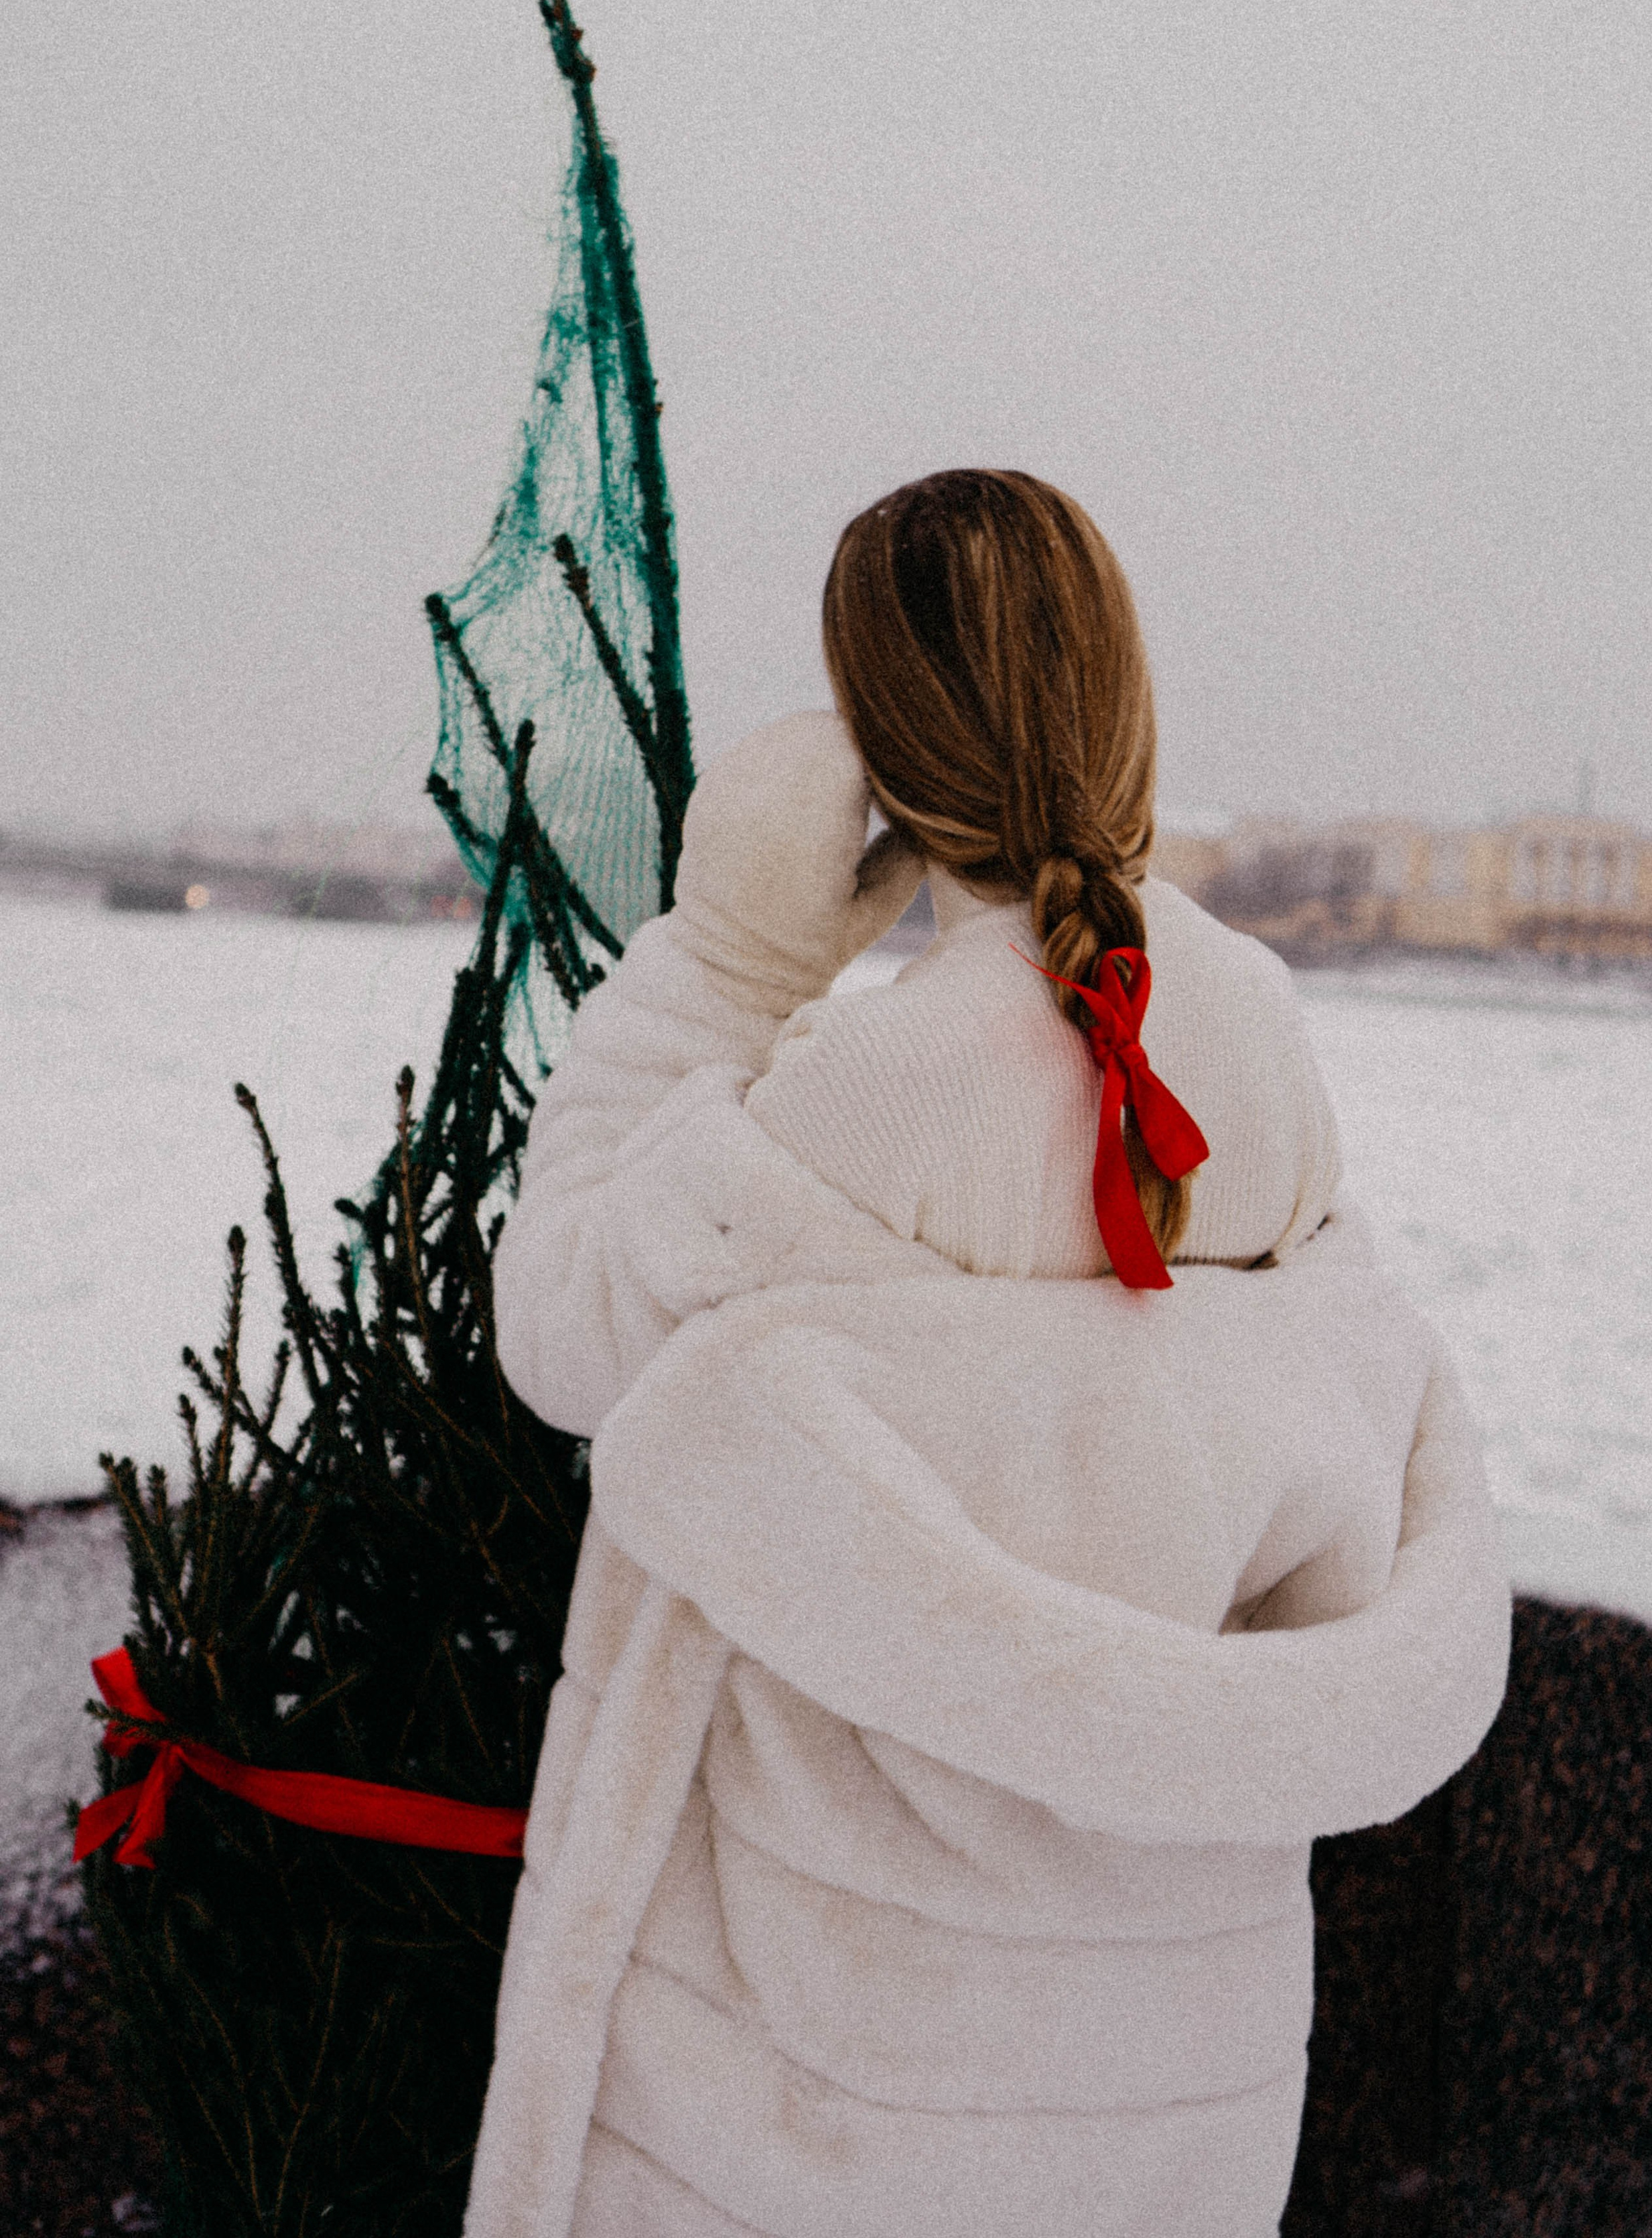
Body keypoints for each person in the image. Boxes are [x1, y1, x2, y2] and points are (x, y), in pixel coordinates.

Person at [464, 470, 1510, 2238]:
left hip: (826, 2100)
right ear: (1128, 699)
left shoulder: (871, 1096)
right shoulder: (1257, 1047)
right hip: (1170, 2097)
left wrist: (725, 961)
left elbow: (563, 1321)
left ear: (881, 750)